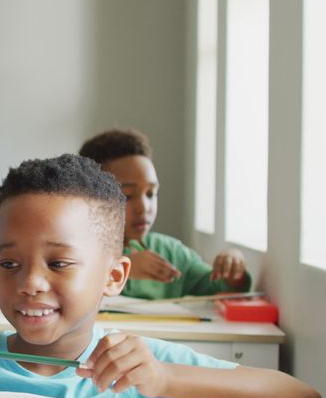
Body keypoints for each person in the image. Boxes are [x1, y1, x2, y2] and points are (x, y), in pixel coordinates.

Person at [0, 154, 323, 398]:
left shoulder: (139, 367)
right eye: (9, 262)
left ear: (113, 277)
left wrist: (164, 380)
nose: (30, 282)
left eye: (59, 263)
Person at [79, 128, 251, 299]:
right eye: (128, 196)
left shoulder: (170, 253)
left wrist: (232, 271)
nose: (144, 207)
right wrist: (114, 269)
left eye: (150, 194)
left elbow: (217, 288)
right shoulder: (75, 250)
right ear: (90, 198)